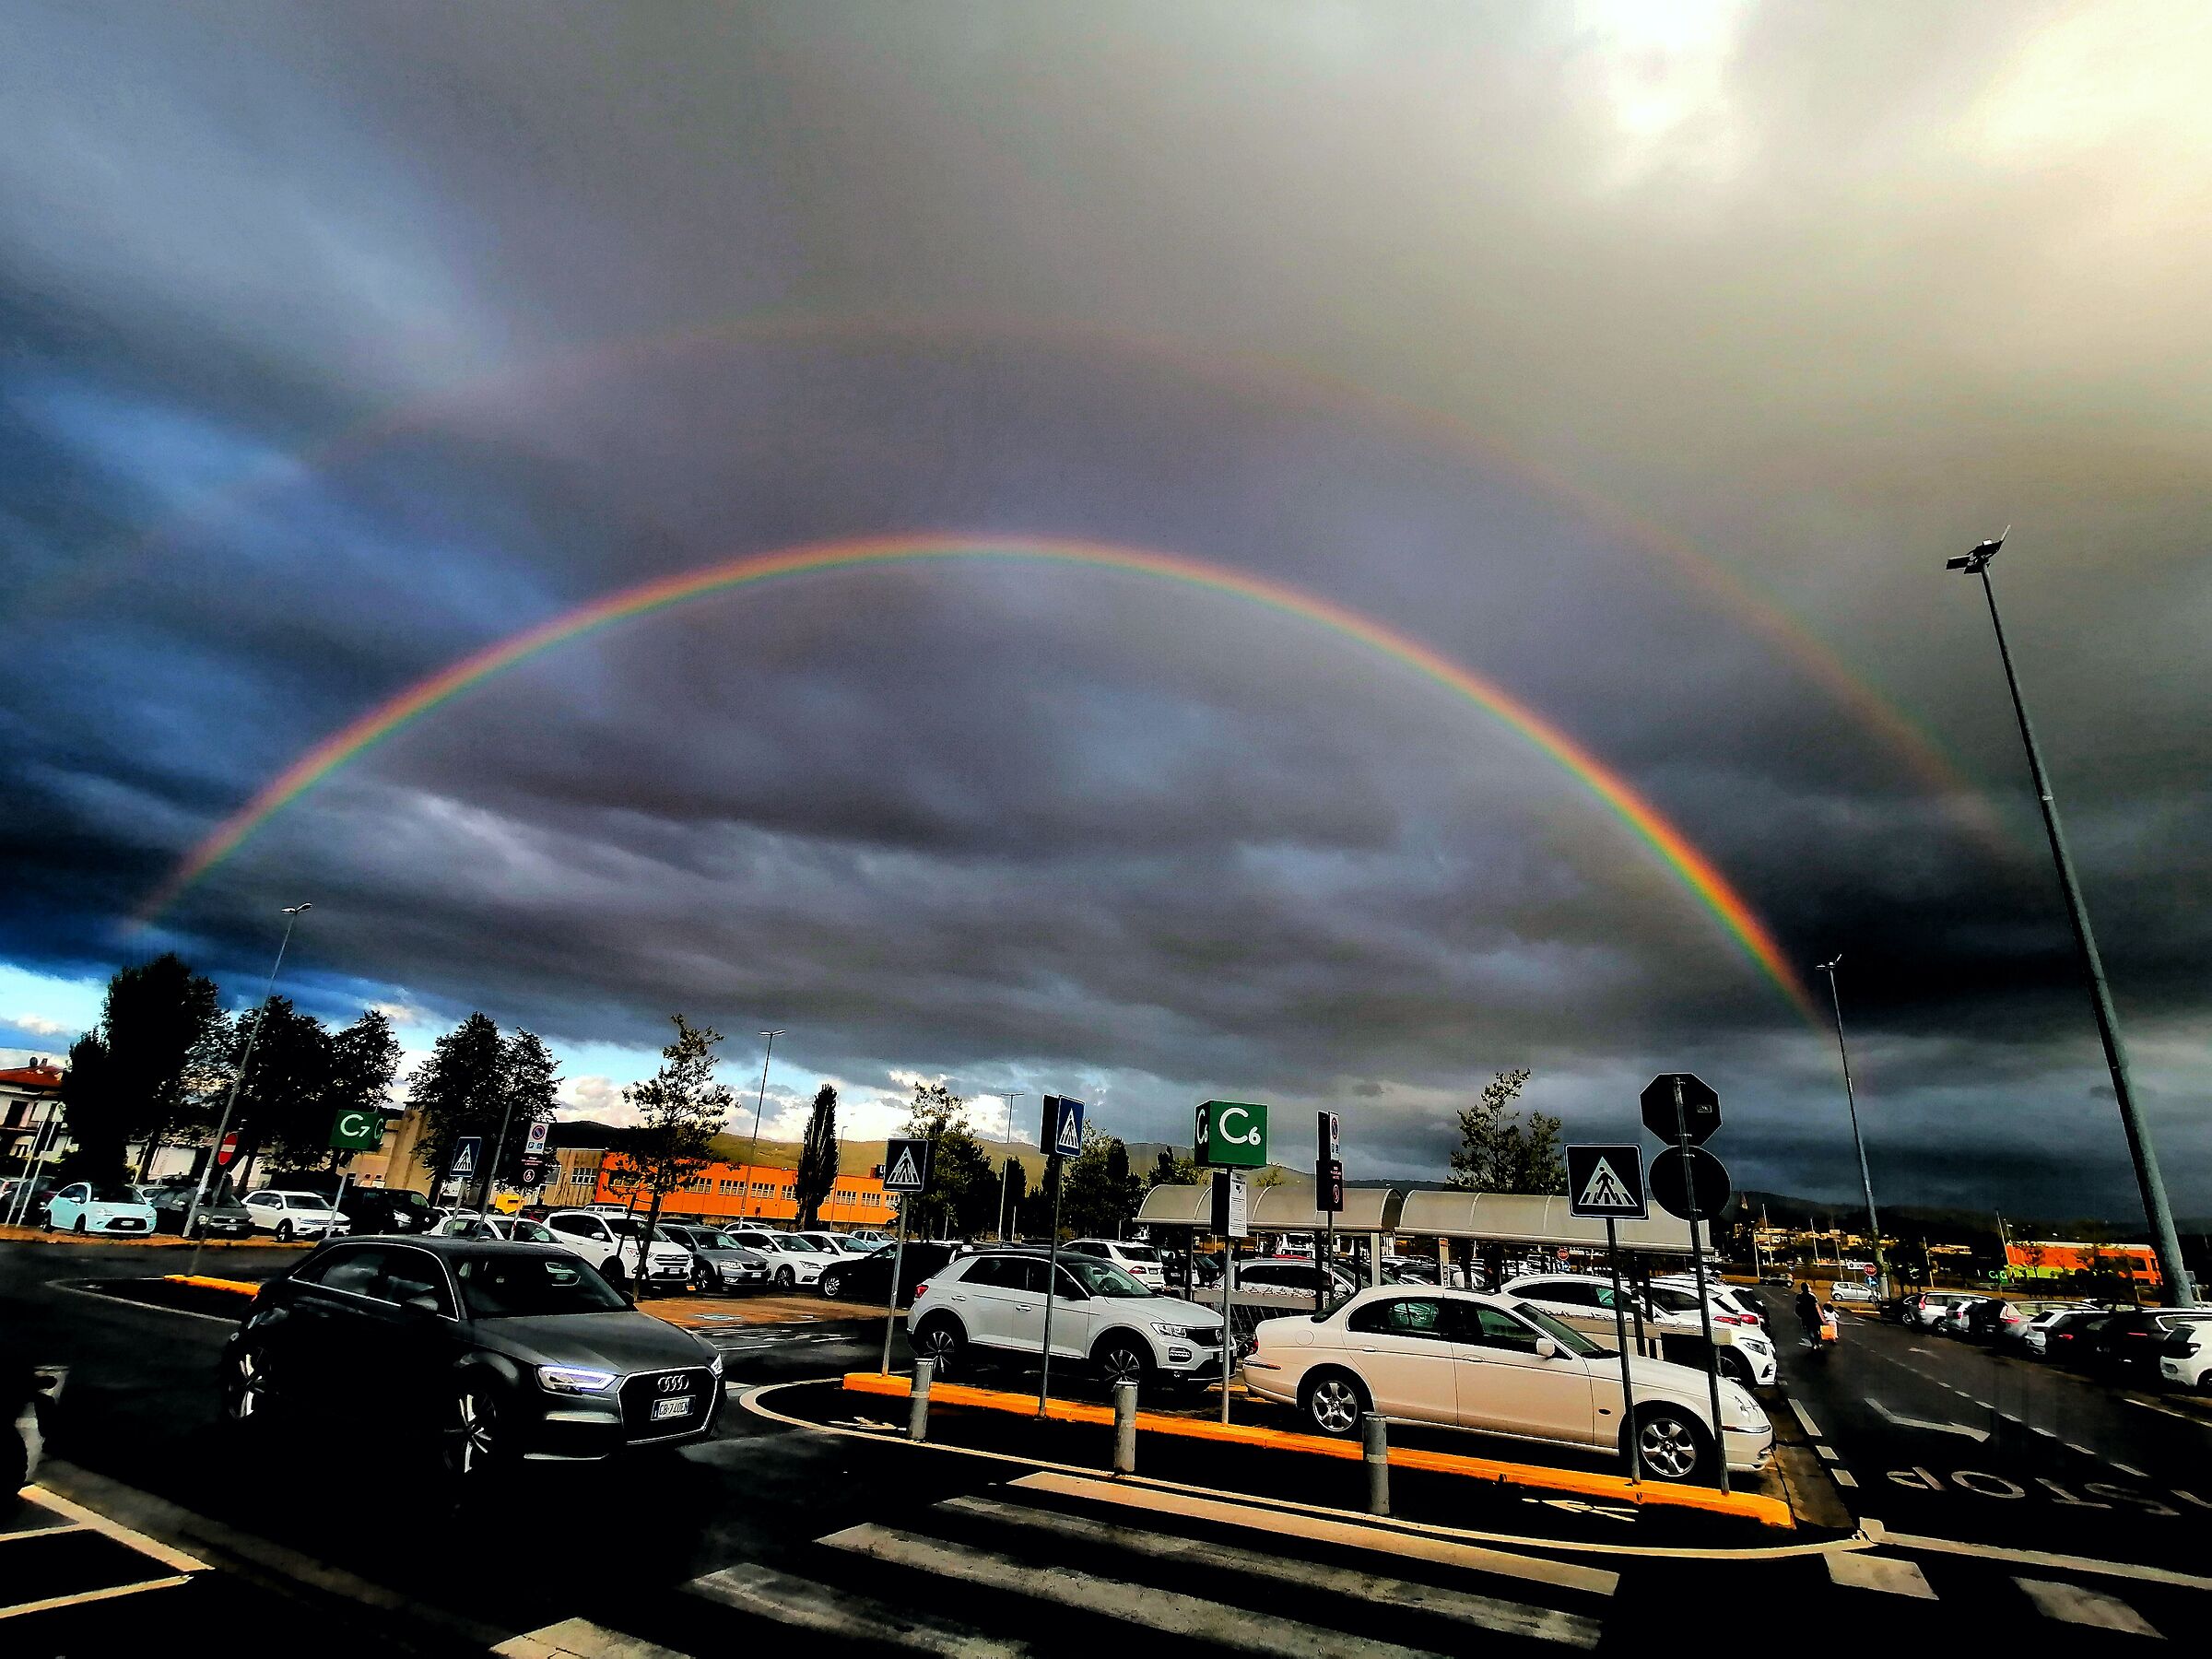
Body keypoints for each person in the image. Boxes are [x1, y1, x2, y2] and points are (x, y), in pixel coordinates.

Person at [1794, 1283, 1823, 1347]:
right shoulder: (1812, 1297)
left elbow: (1798, 1307)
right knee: (1816, 1331)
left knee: (1809, 1330)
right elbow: (1817, 1307)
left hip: (1805, 1316)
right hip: (1814, 1316)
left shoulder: (1799, 1297)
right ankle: (1817, 1343)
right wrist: (1822, 1317)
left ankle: (1813, 1344)